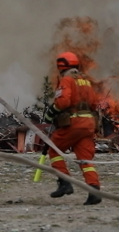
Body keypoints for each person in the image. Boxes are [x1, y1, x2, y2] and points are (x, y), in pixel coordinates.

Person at [43, 52, 102, 205]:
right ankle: (94, 191)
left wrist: (50, 113)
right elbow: (94, 104)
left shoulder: (67, 80)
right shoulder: (86, 81)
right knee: (85, 159)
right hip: (89, 124)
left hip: (74, 123)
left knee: (54, 150)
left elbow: (63, 102)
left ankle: (65, 183)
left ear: (61, 66)